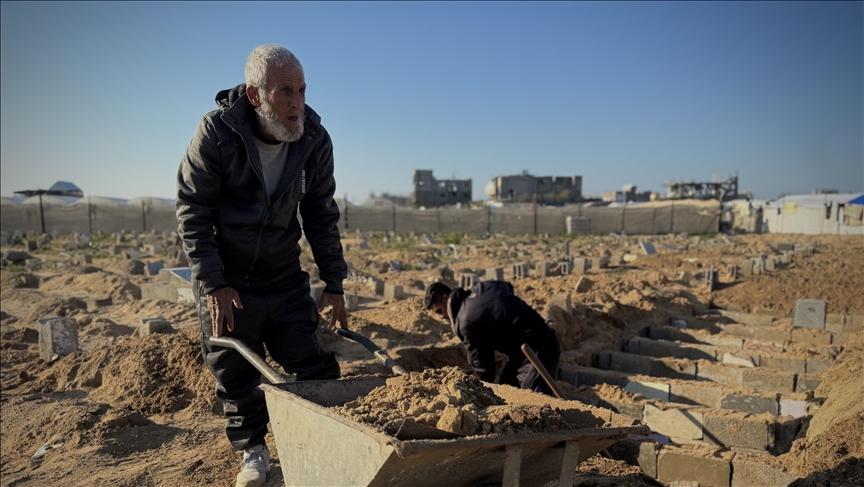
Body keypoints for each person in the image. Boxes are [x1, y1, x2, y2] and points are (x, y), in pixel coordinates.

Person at [176, 44, 348, 487]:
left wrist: (334, 282)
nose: (297, 103)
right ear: (255, 96)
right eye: (285, 92)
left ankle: (329, 440)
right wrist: (213, 283)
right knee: (235, 371)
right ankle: (254, 449)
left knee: (313, 362)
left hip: (283, 274)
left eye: (302, 90)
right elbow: (193, 210)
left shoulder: (313, 140)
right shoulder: (218, 134)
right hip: (229, 280)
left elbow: (321, 214)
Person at [425, 280, 561, 396]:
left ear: (445, 298)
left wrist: (482, 395)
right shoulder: (483, 287)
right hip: (521, 351)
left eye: (439, 311)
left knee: (535, 401)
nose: (441, 316)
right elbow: (507, 287)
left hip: (539, 347)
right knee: (507, 389)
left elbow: (482, 368)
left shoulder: (466, 322)